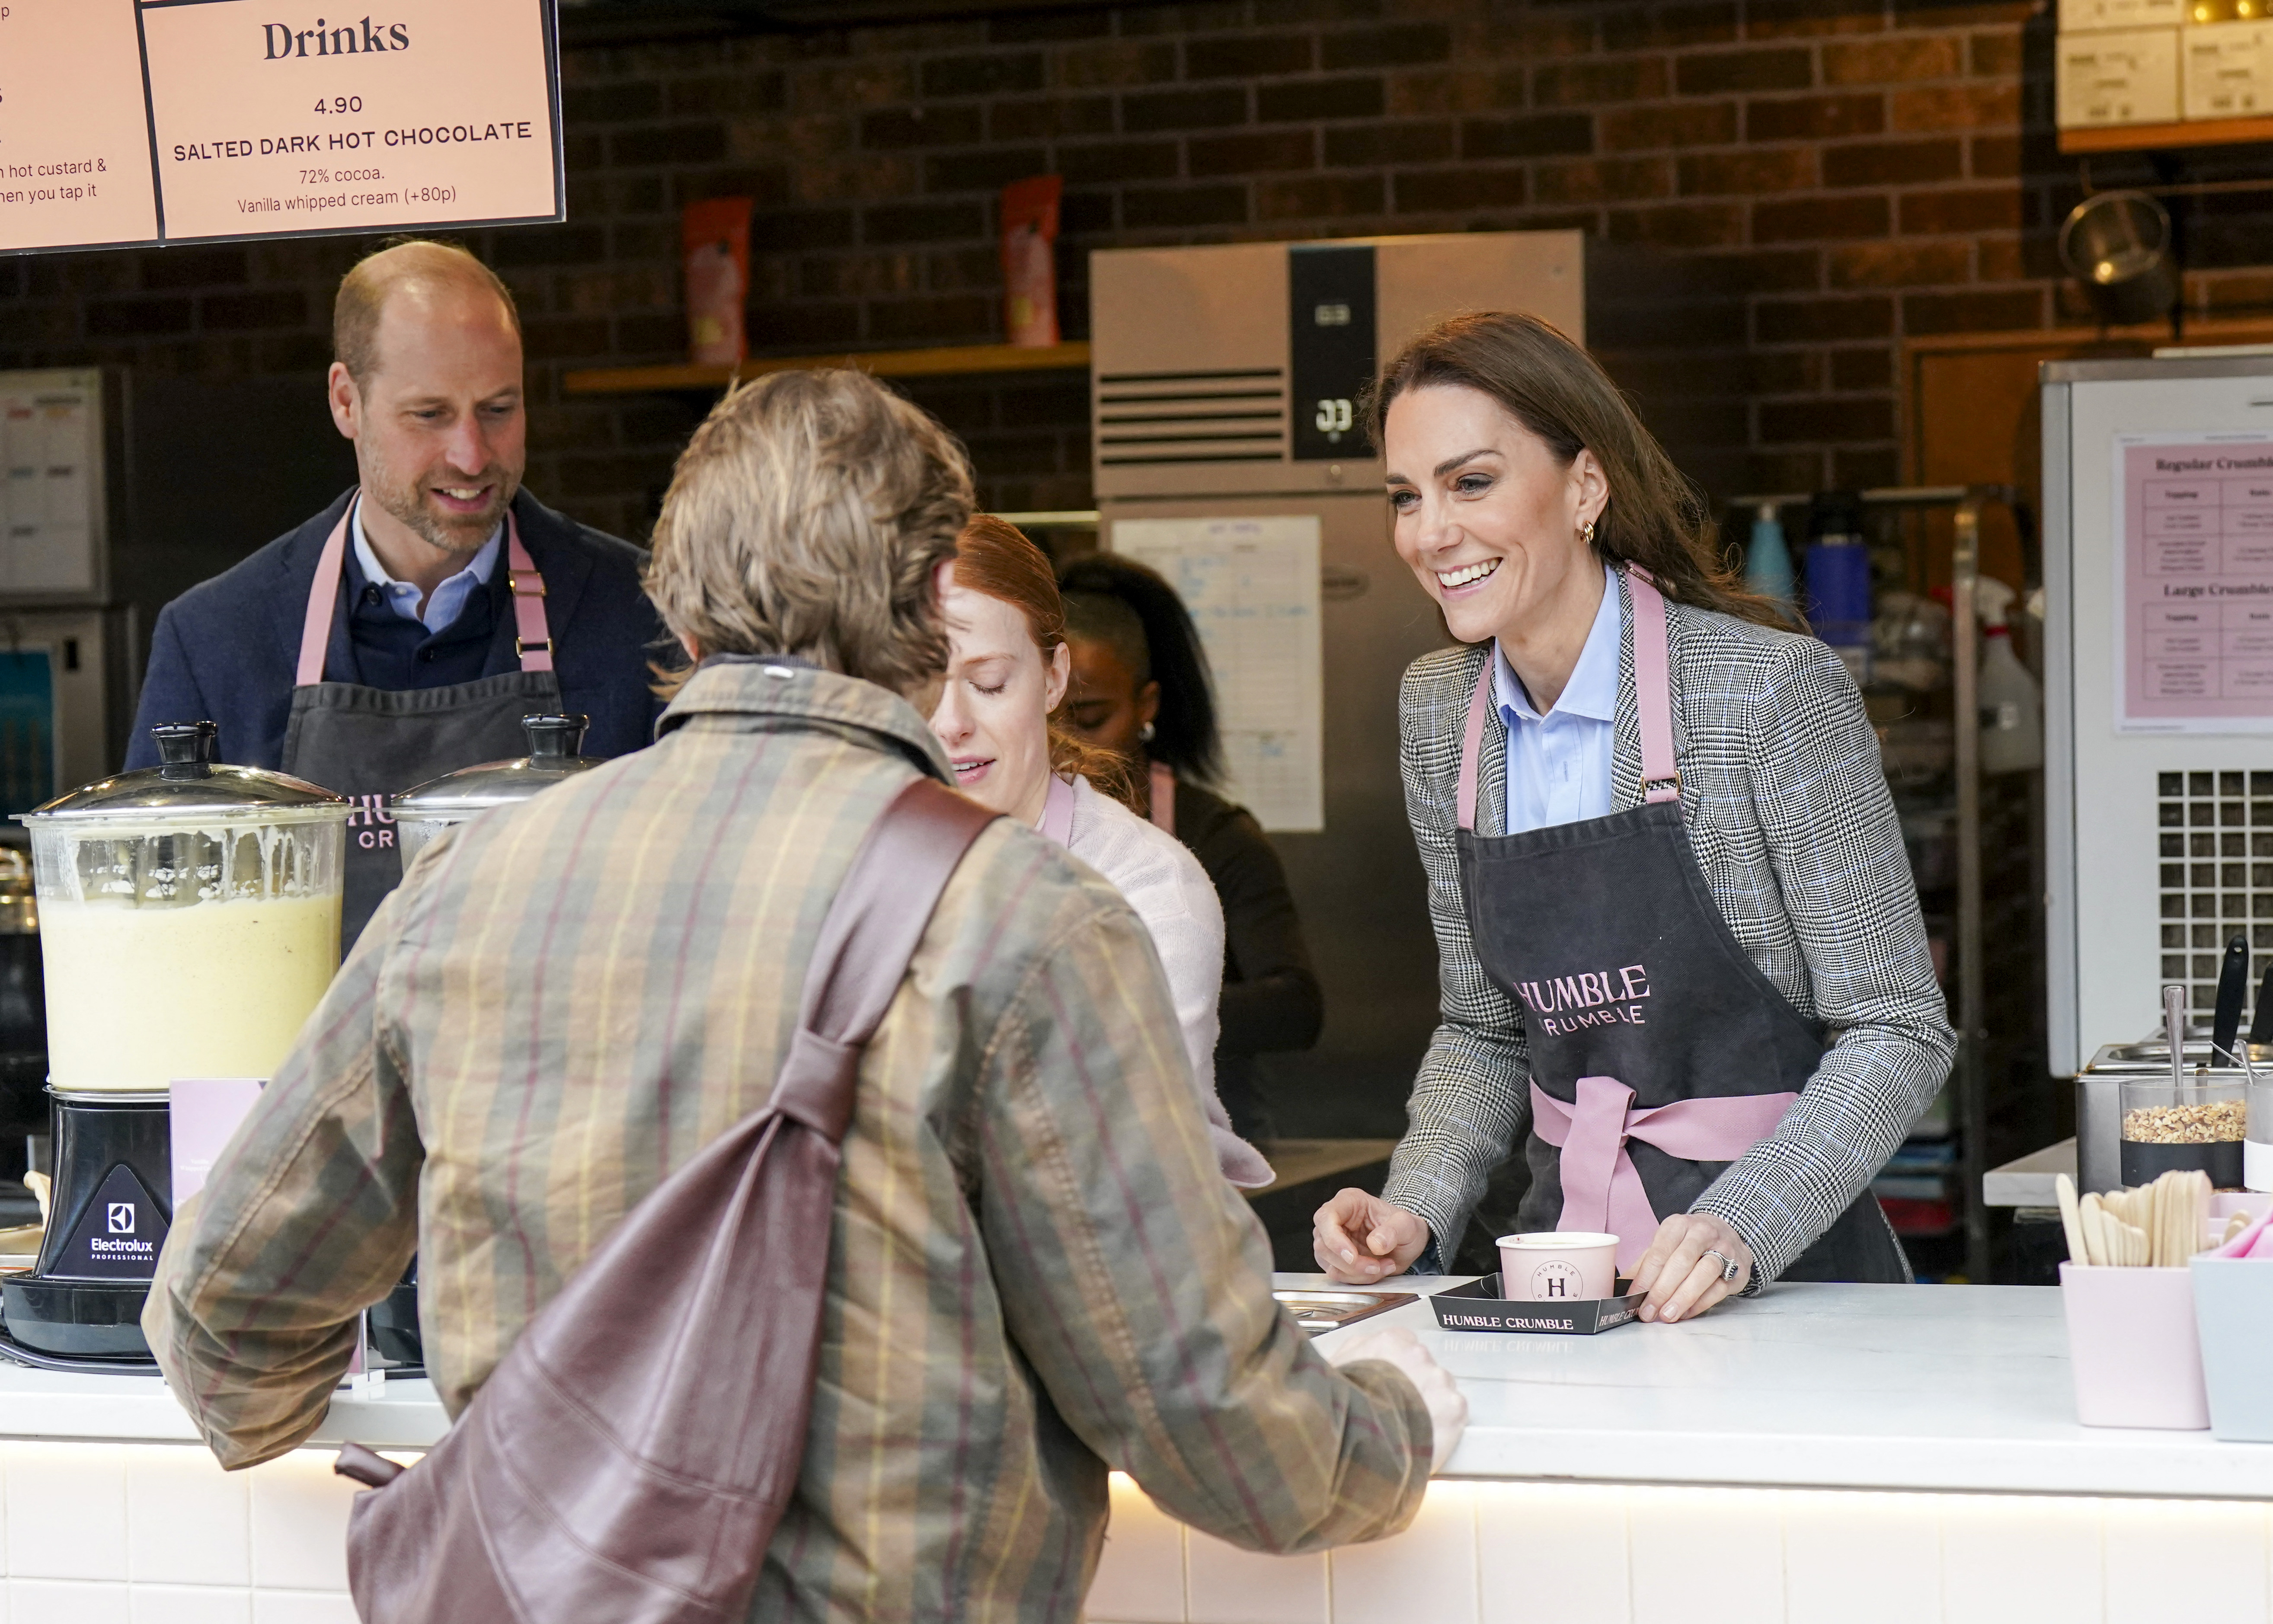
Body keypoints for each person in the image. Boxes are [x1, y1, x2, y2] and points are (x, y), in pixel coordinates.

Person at [143, 368, 1463, 1618]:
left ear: (686, 610)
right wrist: (1392, 1420)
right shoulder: (1020, 918)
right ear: (928, 609)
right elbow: (1209, 1425)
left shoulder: (468, 885)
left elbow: (222, 1321)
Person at [1313, 312, 1954, 1324]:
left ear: (1584, 487)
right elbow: (1486, 1027)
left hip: (1783, 1279)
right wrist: (1415, 1205)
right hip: (1561, 1267)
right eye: (1406, 496)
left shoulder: (1765, 694)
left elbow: (1897, 1028)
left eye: (1469, 483)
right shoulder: (1441, 713)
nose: (1429, 532)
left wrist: (1743, 1224)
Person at [126, 239, 666, 948]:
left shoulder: (644, 612)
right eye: (430, 415)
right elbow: (153, 927)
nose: (472, 456)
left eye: (498, 410)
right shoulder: (216, 639)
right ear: (346, 401)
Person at [931, 516, 1271, 1188]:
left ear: (1054, 677)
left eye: (990, 682)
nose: (950, 722)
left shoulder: (1148, 891)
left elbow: (1133, 1164)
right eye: (917, 682)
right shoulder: (846, 862)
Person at [1057, 553, 1324, 1144]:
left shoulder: (1214, 837)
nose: (1069, 744)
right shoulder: (1015, 825)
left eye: (1091, 717)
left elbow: (1297, 1007)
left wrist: (1128, 1008)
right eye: (1050, 718)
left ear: (1146, 706)